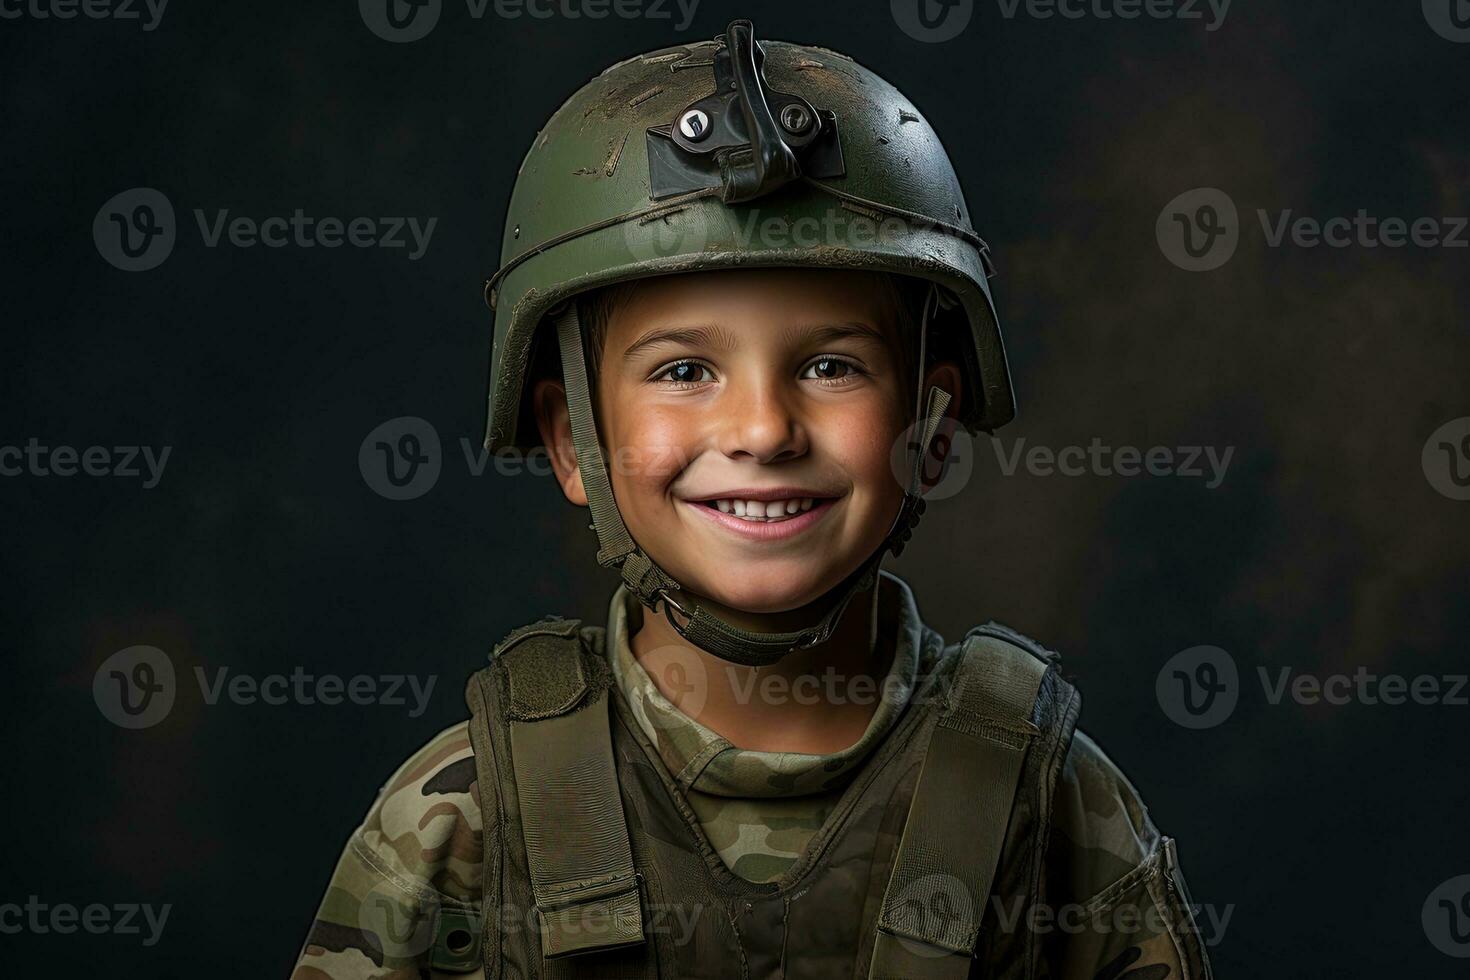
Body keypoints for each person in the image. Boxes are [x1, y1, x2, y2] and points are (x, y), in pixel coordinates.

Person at [292, 19, 1214, 979]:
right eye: (686, 369)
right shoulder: (459, 821)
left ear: (933, 429)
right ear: (574, 442)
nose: (765, 429)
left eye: (829, 365)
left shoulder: (1054, 807)